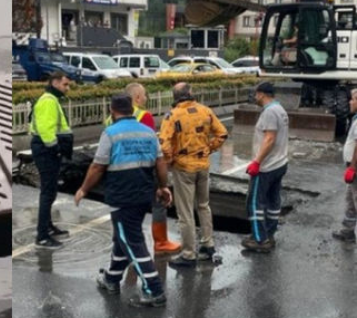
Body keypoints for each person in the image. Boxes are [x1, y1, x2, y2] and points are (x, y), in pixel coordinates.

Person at [74, 94, 172, 307]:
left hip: (123, 195)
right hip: (144, 194)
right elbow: (160, 162)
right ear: (132, 109)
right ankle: (111, 279)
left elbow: (98, 166)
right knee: (123, 238)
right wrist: (163, 187)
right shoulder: (148, 132)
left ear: (112, 110)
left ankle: (154, 290)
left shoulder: (110, 133)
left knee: (132, 242)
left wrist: (83, 189)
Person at [105, 83, 181, 254]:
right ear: (137, 98)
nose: (146, 98)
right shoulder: (144, 116)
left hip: (118, 171)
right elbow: (152, 146)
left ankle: (122, 242)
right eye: (145, 95)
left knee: (125, 210)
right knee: (158, 203)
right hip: (142, 169)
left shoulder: (111, 118)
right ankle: (160, 242)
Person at [159, 83, 228, 267]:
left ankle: (189, 253)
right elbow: (222, 134)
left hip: (183, 168)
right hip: (203, 165)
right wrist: (208, 149)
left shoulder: (172, 115)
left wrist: (171, 159)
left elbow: (164, 143)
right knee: (204, 205)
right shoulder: (205, 111)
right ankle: (208, 245)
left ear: (175, 97)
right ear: (191, 94)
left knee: (185, 212)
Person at [242, 82, 289, 253]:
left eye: (256, 94)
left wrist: (257, 162)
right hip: (280, 163)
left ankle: (259, 240)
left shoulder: (270, 112)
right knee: (273, 201)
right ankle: (269, 234)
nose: (255, 97)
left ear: (261, 94)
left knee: (254, 203)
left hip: (267, 166)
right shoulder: (281, 110)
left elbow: (269, 138)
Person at [29, 71, 74, 249]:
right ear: (55, 82)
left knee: (51, 190)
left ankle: (47, 226)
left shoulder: (50, 99)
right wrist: (54, 149)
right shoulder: (48, 101)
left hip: (46, 150)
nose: (67, 88)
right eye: (65, 85)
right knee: (48, 192)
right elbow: (46, 129)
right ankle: (42, 236)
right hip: (46, 150)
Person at [333, 89, 357, 243]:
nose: (350, 101)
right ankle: (348, 230)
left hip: (355, 168)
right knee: (350, 200)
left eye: (353, 99)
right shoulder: (355, 118)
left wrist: (353, 168)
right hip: (352, 166)